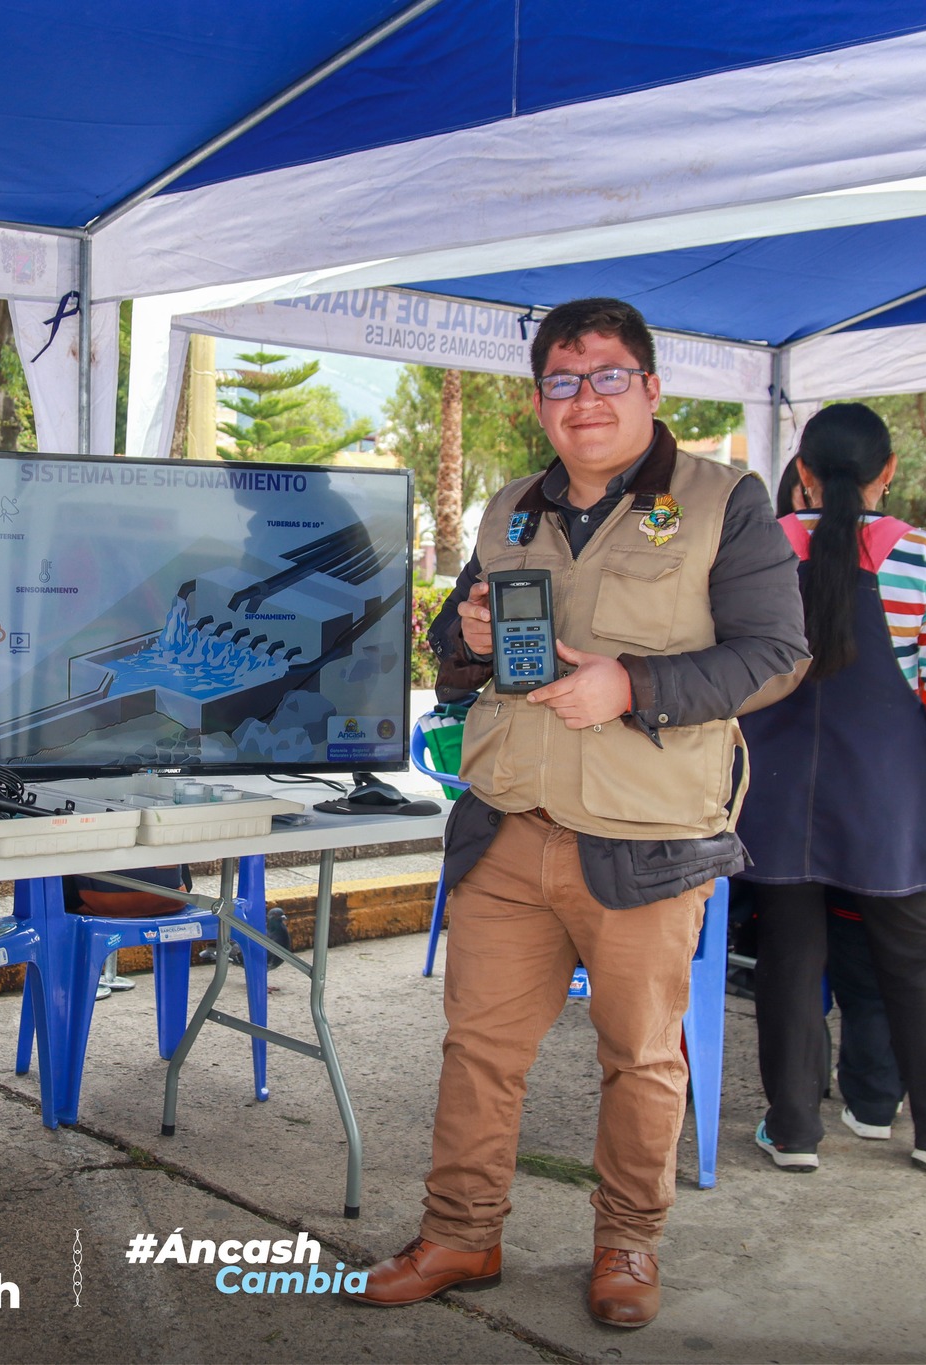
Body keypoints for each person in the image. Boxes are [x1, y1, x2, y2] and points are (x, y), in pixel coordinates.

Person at [348, 298, 807, 1328]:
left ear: (649, 387)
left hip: (645, 840)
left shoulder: (721, 501)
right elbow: (457, 650)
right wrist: (465, 636)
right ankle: (460, 1233)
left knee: (639, 1056)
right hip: (509, 826)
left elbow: (776, 655)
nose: (584, 399)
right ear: (539, 399)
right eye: (561, 380)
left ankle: (627, 1245)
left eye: (606, 376)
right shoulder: (511, 506)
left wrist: (631, 686)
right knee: (477, 1048)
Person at [737, 402, 926, 1174]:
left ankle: (793, 1129)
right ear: (887, 471)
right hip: (886, 798)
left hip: (773, 793)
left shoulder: (759, 547)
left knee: (789, 955)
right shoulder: (919, 557)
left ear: (802, 471)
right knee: (914, 958)